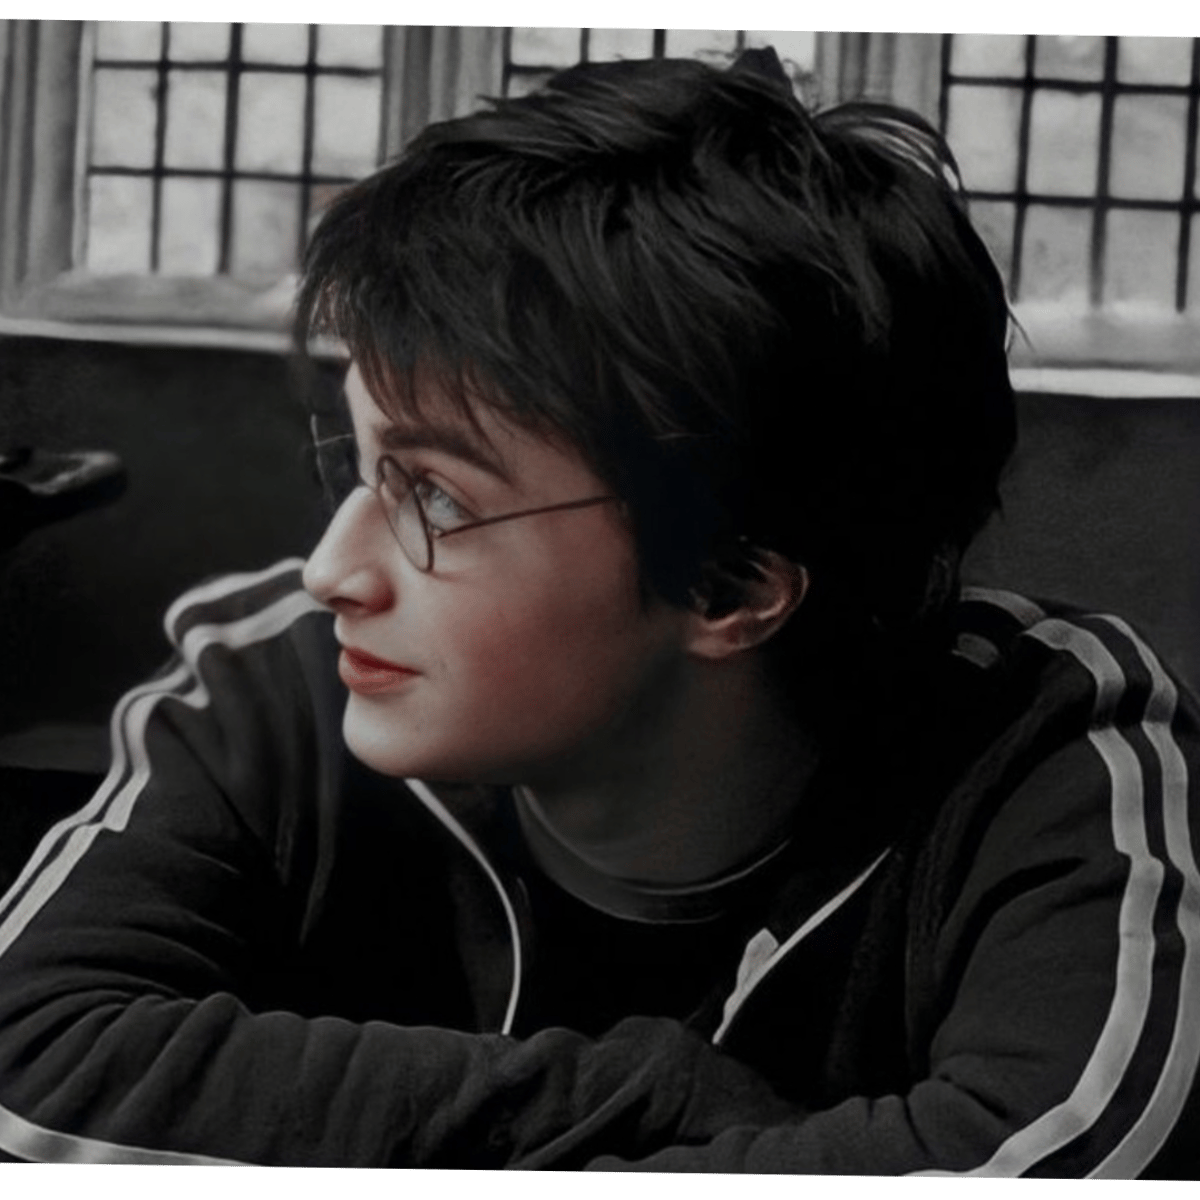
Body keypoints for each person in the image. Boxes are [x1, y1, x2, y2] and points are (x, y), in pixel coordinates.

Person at [0, 49, 1197, 1176]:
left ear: (730, 585)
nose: (330, 572)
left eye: (435, 497)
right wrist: (657, 1096)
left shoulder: (1050, 755)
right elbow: (25, 1059)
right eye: (356, 467)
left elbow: (1056, 1165)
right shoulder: (278, 682)